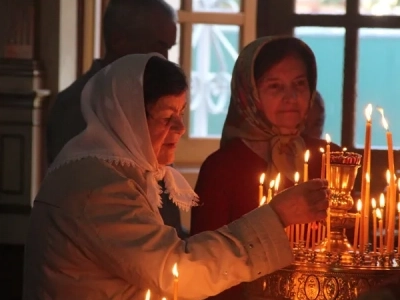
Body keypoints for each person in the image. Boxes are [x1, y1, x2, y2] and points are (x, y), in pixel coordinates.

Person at [23, 53, 330, 300]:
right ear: (129, 120)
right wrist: (276, 216)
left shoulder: (112, 172)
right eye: (168, 117)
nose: (181, 129)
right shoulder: (97, 187)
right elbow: (176, 270)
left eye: (181, 114)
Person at [190, 36, 341, 300]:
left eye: (299, 84)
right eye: (275, 86)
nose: (291, 97)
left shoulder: (330, 158)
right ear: (249, 96)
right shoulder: (221, 168)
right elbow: (205, 264)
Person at [46, 0, 184, 237]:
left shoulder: (141, 96)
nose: (165, 58)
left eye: (170, 48)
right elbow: (99, 207)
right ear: (120, 40)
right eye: (159, 46)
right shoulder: (77, 105)